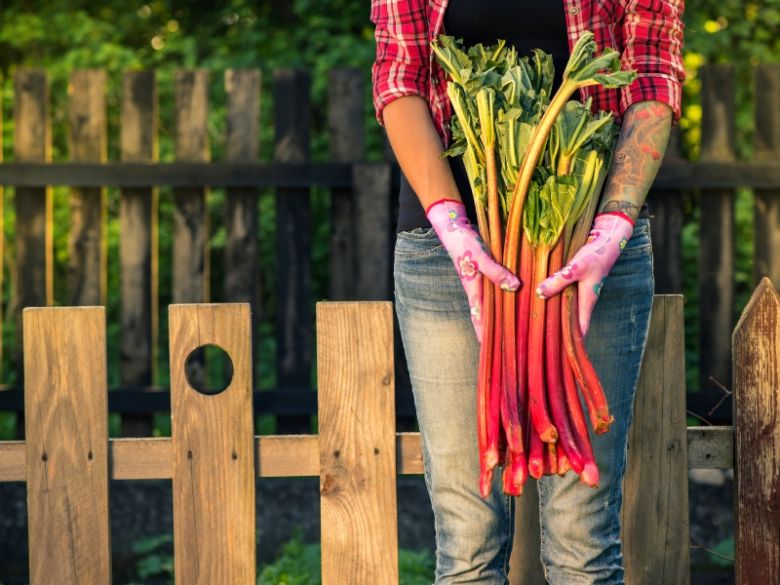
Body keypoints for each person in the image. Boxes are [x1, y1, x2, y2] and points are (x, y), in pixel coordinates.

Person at [371, 1, 685, 584]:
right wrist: (452, 225)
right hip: (445, 248)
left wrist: (614, 224)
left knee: (583, 544)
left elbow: (652, 72)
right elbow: (400, 76)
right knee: (467, 546)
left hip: (593, 235)